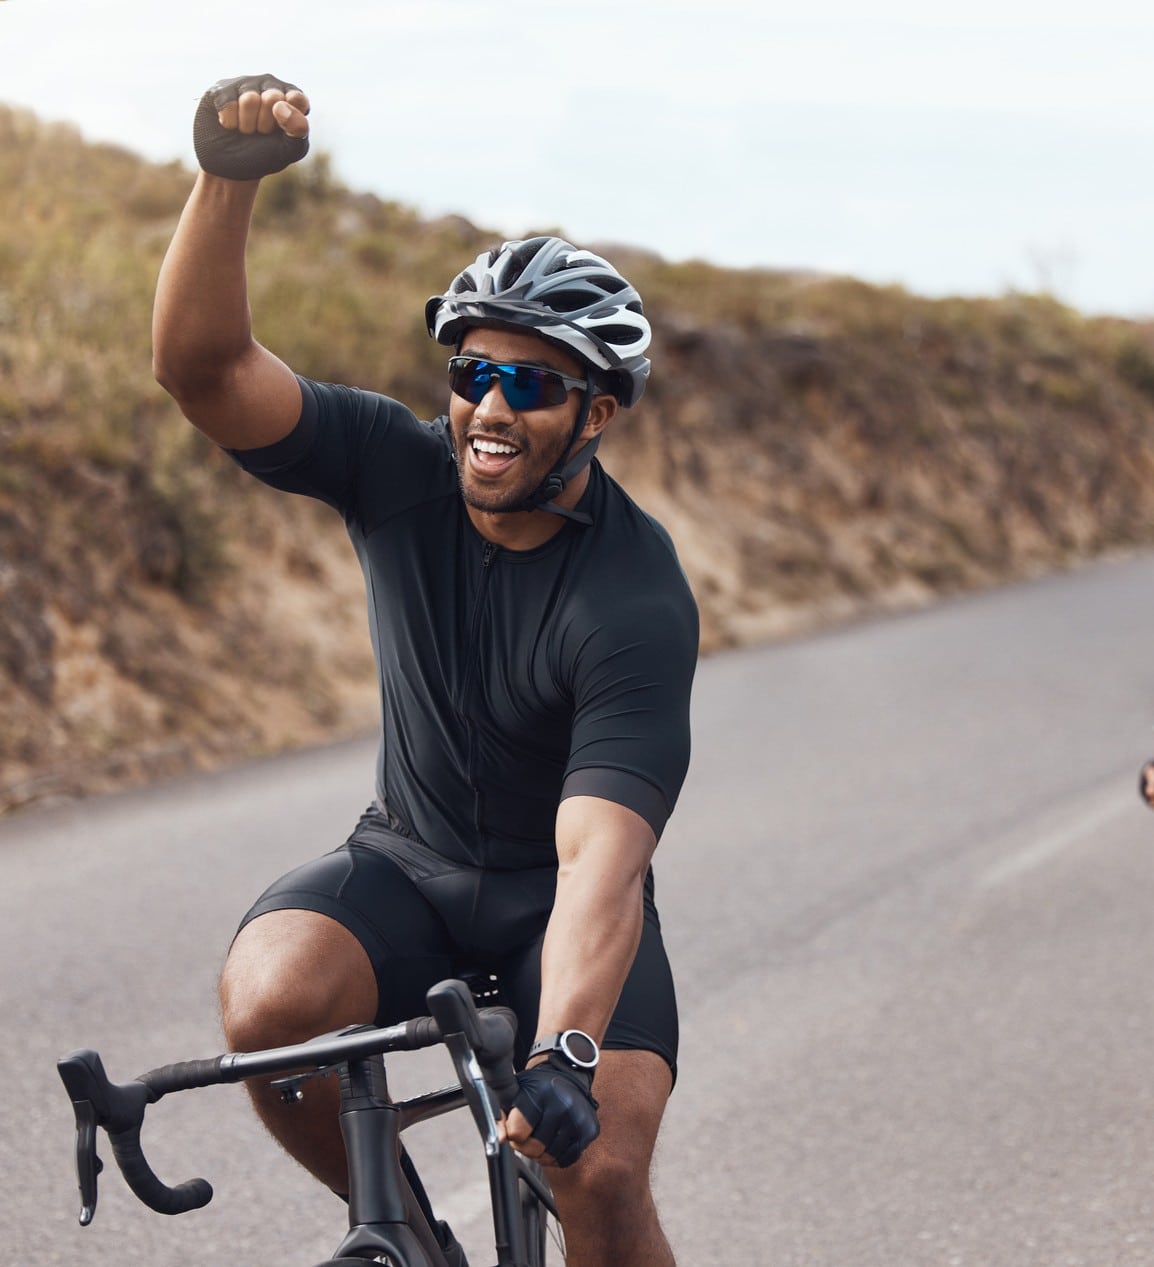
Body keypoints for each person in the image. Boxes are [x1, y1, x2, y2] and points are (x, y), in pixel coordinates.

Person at [152, 75, 698, 1266]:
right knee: (272, 999)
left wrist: (563, 1053)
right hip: (409, 856)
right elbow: (204, 372)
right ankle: (413, 1238)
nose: (489, 406)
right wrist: (224, 182)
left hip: (555, 905)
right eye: (472, 374)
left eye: (532, 383)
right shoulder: (395, 470)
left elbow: (598, 862)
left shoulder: (633, 597)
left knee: (592, 1165)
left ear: (595, 414)